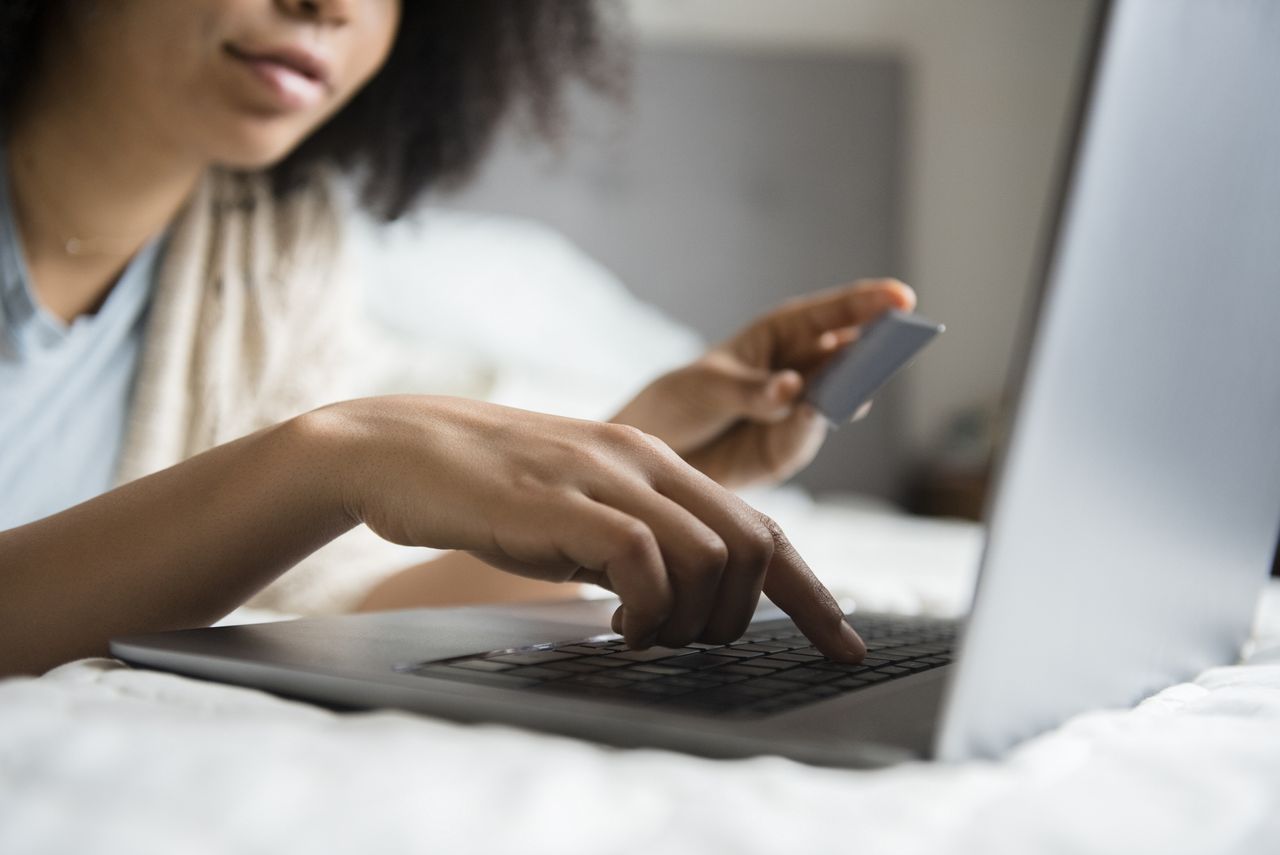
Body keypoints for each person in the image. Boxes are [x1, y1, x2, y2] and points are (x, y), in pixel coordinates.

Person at [0, 0, 916, 676]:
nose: (331, 10)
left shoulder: (276, 245)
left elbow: (308, 602)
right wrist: (336, 455)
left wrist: (652, 457)